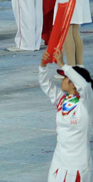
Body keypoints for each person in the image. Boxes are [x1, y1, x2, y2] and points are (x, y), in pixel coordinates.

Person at [39, 51, 93, 182]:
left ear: (73, 83)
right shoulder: (62, 100)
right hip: (58, 161)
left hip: (78, 165)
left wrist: (64, 65)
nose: (62, 79)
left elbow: (84, 86)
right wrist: (43, 66)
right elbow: (46, 85)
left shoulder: (86, 103)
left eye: (65, 77)